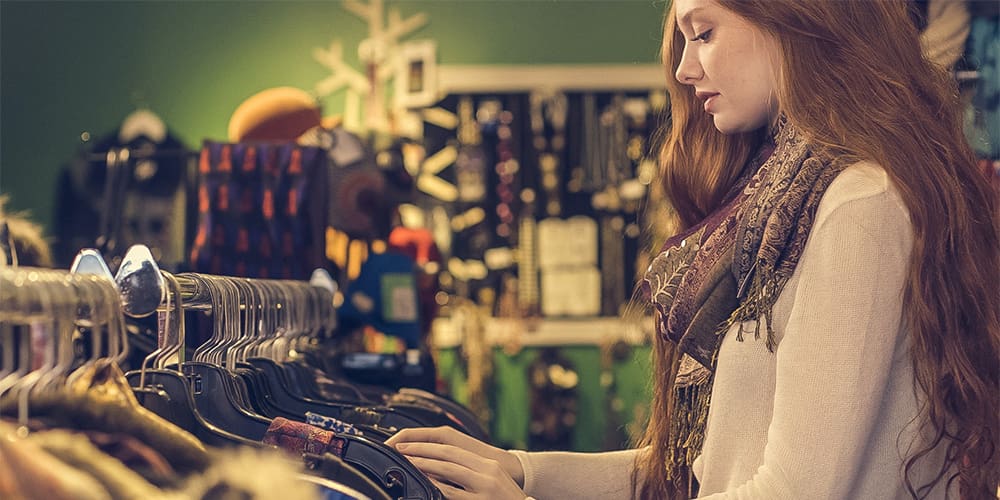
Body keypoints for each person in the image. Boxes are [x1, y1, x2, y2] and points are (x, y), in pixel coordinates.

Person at [386, 0, 1000, 498]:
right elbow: (704, 471)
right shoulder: (780, 208)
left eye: (702, 33)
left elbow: (792, 492)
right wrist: (523, 469)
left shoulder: (855, 203)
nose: (683, 69)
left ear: (796, 17)